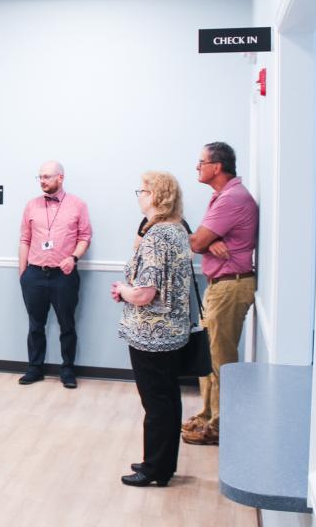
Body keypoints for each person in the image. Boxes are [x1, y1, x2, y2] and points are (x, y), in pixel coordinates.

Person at [111, 171, 191, 487]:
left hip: (152, 335)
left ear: (156, 195)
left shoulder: (157, 236)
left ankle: (154, 469)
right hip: (172, 333)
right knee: (168, 400)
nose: (139, 195)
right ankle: (162, 463)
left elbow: (145, 293)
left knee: (156, 405)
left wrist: (122, 289)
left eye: (142, 190)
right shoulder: (179, 230)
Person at [182, 142, 258, 446]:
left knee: (220, 358)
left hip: (230, 286)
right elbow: (201, 240)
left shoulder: (232, 199)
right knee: (207, 355)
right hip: (221, 285)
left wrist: (204, 241)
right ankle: (207, 414)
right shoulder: (223, 197)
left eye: (201, 162)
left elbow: (197, 241)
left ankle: (219, 424)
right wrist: (206, 241)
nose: (198, 167)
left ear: (217, 166)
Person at [18, 161, 92, 388]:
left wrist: (73, 258)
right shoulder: (31, 206)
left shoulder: (77, 205)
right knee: (35, 325)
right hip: (34, 275)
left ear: (60, 178)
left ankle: (67, 370)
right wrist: (23, 273)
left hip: (64, 276)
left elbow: (85, 237)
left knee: (67, 325)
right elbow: (24, 240)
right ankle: (35, 368)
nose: (42, 181)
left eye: (47, 177)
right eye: (40, 177)